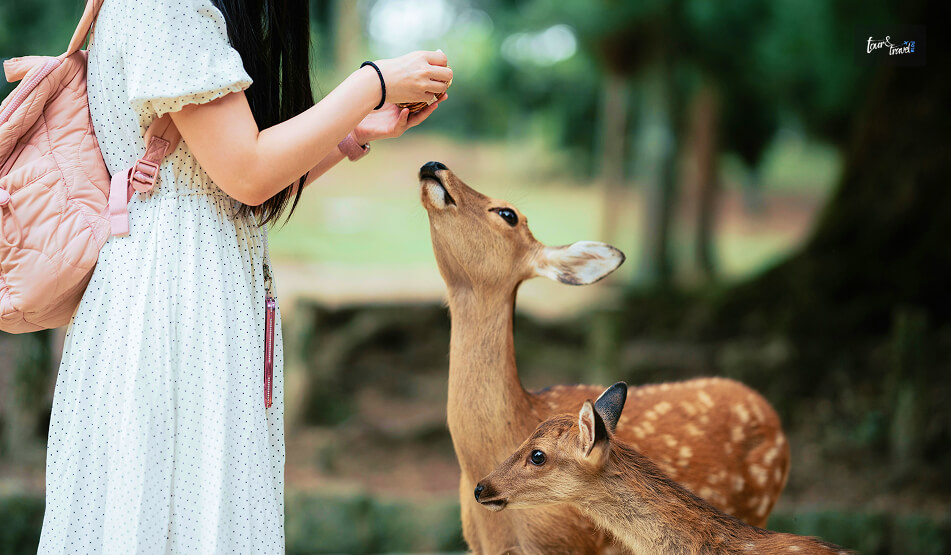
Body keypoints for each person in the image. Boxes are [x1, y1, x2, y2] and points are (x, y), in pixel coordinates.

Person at [38, 0, 450, 552]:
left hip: (189, 289)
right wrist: (370, 84)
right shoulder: (169, 6)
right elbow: (247, 174)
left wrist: (353, 132)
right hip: (174, 301)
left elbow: (232, 187)